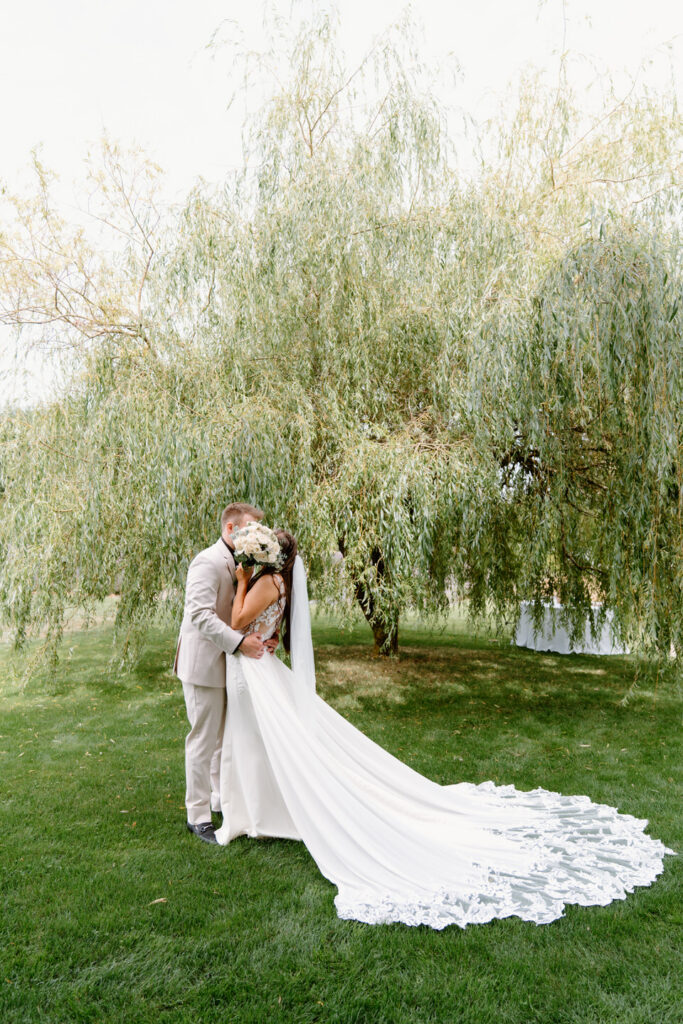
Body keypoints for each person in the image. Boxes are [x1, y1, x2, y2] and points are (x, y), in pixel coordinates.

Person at [214, 529, 674, 929]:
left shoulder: (264, 581)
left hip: (257, 666)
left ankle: (263, 812)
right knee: (268, 743)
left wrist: (238, 581)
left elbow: (235, 621)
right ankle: (260, 810)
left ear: (269, 556)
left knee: (273, 743)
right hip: (259, 665)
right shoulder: (278, 580)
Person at [174, 502, 278, 844]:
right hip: (203, 664)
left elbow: (245, 610)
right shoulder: (206, 561)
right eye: (250, 529)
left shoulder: (242, 563)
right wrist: (239, 643)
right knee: (203, 741)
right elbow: (200, 615)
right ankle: (198, 815)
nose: (256, 535)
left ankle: (219, 801)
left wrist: (265, 637)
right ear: (231, 529)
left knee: (222, 740)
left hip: (229, 665)